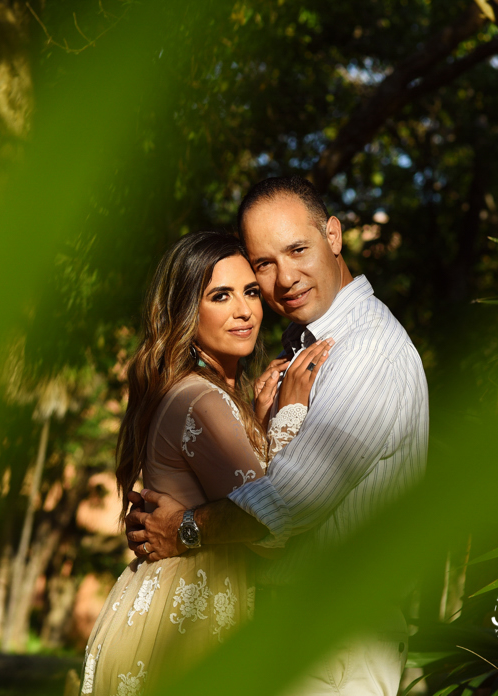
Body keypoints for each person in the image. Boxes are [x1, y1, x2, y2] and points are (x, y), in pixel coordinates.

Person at [123, 176, 429, 696]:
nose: (284, 277)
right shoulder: (303, 341)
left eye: (297, 250)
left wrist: (184, 529)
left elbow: (291, 500)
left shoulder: (366, 350)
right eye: (264, 263)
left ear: (333, 236)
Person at [78, 230, 332, 695]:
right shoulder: (201, 400)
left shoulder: (202, 393)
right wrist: (291, 413)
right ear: (186, 312)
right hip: (187, 625)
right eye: (220, 296)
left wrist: (255, 421)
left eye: (251, 292)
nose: (244, 310)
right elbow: (271, 525)